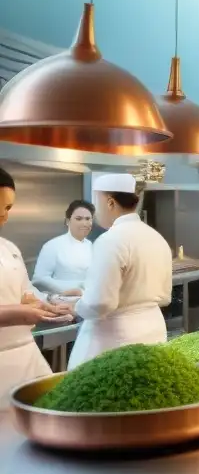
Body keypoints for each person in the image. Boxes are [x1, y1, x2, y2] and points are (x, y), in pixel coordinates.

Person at [69, 174, 173, 370]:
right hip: (153, 330)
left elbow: (100, 303)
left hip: (115, 338)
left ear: (109, 202)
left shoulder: (110, 240)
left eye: (96, 202)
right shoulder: (156, 237)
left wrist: (76, 307)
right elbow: (165, 297)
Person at [0, 166, 72, 410]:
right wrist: (22, 313)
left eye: (8, 207)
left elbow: (24, 293)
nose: (3, 215)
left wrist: (42, 305)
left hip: (27, 360)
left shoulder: (8, 248)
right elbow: (20, 308)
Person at [32, 200, 95, 297]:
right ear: (67, 221)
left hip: (89, 303)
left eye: (88, 219)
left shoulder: (93, 246)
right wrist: (74, 288)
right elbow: (39, 279)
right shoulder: (53, 245)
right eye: (79, 219)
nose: (84, 223)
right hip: (61, 303)